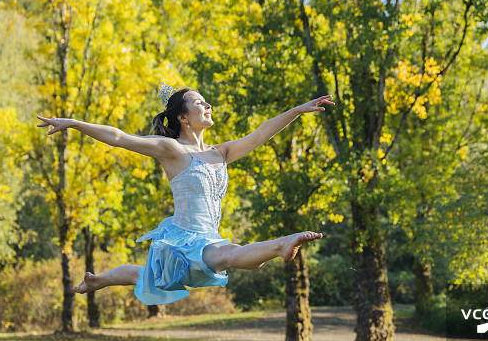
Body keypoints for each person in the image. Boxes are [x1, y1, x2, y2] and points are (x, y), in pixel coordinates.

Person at [36, 83, 334, 305]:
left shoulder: (221, 153)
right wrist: (74, 123)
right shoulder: (172, 151)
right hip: (183, 241)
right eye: (200, 103)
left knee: (147, 276)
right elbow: (118, 137)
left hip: (207, 239)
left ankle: (97, 280)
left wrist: (297, 110)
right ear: (183, 117)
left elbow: (261, 133)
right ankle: (282, 244)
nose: (208, 106)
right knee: (230, 255)